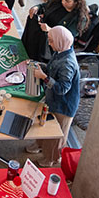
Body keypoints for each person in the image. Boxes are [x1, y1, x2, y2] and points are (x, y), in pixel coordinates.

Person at [27, 26, 81, 167]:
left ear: (59, 40)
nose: (49, 44)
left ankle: (51, 159)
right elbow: (52, 67)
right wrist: (39, 66)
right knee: (45, 124)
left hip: (63, 105)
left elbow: (62, 88)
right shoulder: (61, 50)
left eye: (51, 41)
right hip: (53, 100)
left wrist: (43, 77)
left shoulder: (68, 63)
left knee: (55, 134)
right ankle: (40, 145)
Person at [22, 0, 90, 62]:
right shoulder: (58, 0)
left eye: (67, 1)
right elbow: (44, 6)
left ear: (76, 2)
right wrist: (37, 7)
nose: (63, 2)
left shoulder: (79, 18)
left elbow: (67, 37)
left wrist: (50, 30)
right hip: (41, 34)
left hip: (52, 46)